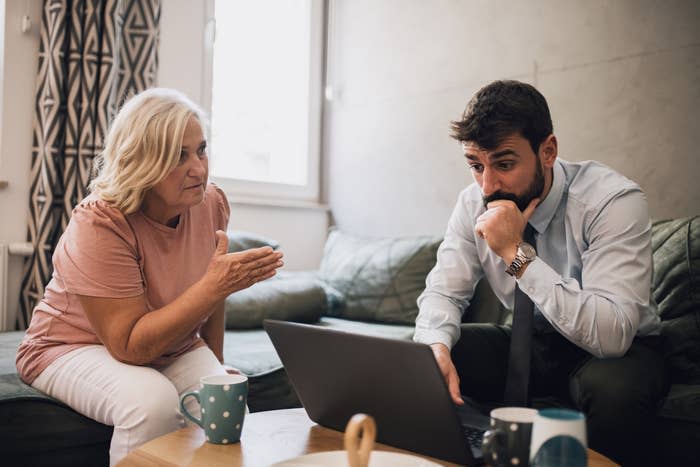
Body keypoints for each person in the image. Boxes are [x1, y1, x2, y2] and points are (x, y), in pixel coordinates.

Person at [16, 88, 284, 466]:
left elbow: (213, 294)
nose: (199, 169)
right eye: (179, 155)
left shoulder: (211, 203)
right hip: (69, 346)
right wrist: (215, 285)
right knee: (151, 403)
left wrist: (216, 364)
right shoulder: (100, 222)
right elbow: (128, 345)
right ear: (143, 160)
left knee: (225, 399)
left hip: (168, 342)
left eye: (201, 150)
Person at [414, 80, 668, 466]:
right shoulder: (472, 203)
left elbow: (611, 335)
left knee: (613, 389)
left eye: (504, 164)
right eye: (475, 166)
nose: (488, 184)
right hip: (531, 340)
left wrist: (517, 254)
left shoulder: (612, 200)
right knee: (425, 357)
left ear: (547, 150)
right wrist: (435, 345)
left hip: (618, 350)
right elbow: (444, 292)